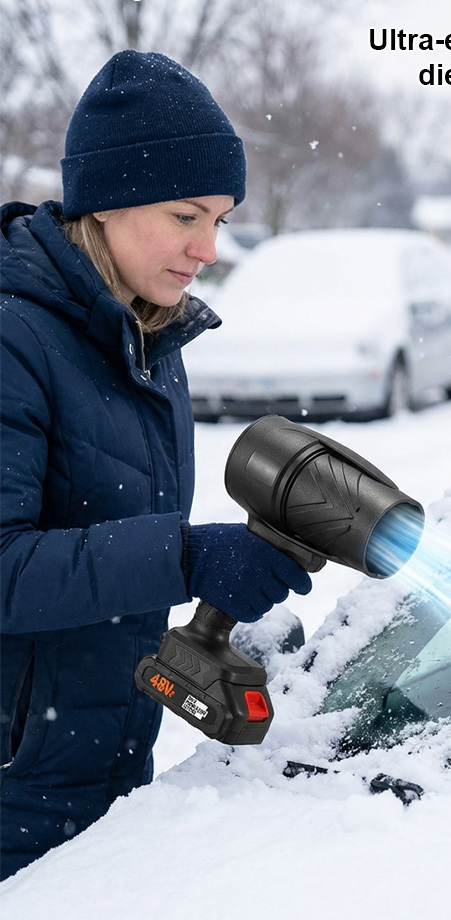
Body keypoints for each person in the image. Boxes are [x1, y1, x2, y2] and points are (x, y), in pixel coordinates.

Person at [0, 50, 312, 880]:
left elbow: (103, 550)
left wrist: (220, 613)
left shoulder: (147, 333)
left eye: (219, 217)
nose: (209, 246)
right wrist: (184, 555)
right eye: (186, 215)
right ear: (106, 202)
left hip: (104, 778)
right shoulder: (11, 338)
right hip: (14, 796)